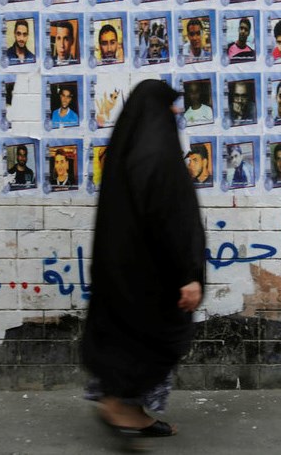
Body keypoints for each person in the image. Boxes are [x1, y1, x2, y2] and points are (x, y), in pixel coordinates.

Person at [81, 80, 204, 444]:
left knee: (127, 341)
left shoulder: (128, 148)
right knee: (152, 341)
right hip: (153, 277)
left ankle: (125, 408)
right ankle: (121, 408)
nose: (178, 112)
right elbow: (170, 219)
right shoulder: (156, 156)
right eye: (171, 106)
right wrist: (188, 275)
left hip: (123, 273)